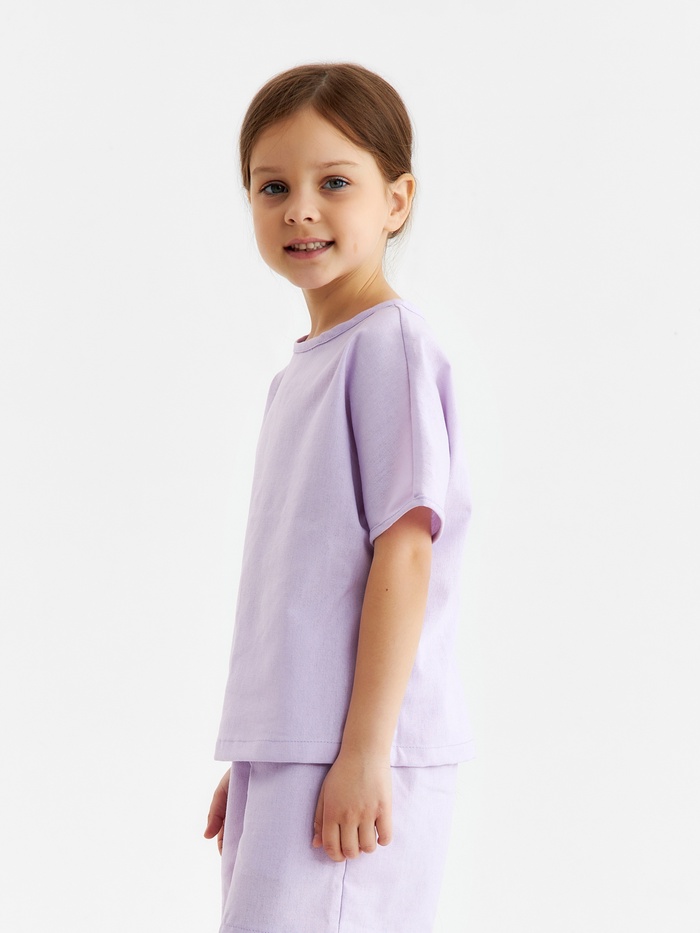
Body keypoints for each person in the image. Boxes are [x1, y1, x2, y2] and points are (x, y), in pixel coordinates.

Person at [203, 62, 476, 933]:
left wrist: (362, 752)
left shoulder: (388, 345)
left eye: (334, 183)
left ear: (396, 200)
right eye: (272, 186)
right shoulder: (303, 370)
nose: (300, 209)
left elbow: (406, 552)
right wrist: (263, 751)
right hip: (302, 748)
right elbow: (306, 585)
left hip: (359, 750)